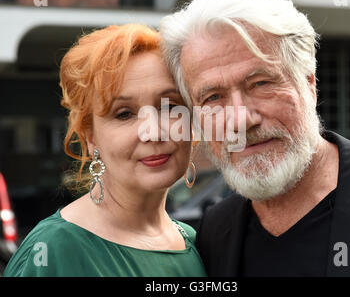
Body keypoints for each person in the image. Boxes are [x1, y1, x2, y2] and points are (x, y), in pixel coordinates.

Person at [160, 0, 350, 276]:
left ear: (309, 85)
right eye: (213, 97)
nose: (240, 120)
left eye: (260, 84)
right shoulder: (213, 234)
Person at [4, 24, 206, 277]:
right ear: (91, 137)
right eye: (124, 114)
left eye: (169, 106)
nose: (153, 131)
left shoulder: (197, 243)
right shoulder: (56, 250)